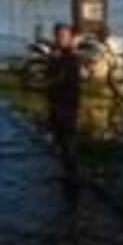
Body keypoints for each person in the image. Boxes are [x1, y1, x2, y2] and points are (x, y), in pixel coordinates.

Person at [46, 23, 81, 185]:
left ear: (70, 38)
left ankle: (73, 175)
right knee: (60, 137)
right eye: (59, 36)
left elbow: (62, 76)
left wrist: (57, 58)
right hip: (56, 101)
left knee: (68, 138)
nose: (61, 39)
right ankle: (67, 171)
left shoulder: (72, 56)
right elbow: (51, 76)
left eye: (64, 36)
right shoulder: (56, 54)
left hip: (67, 103)